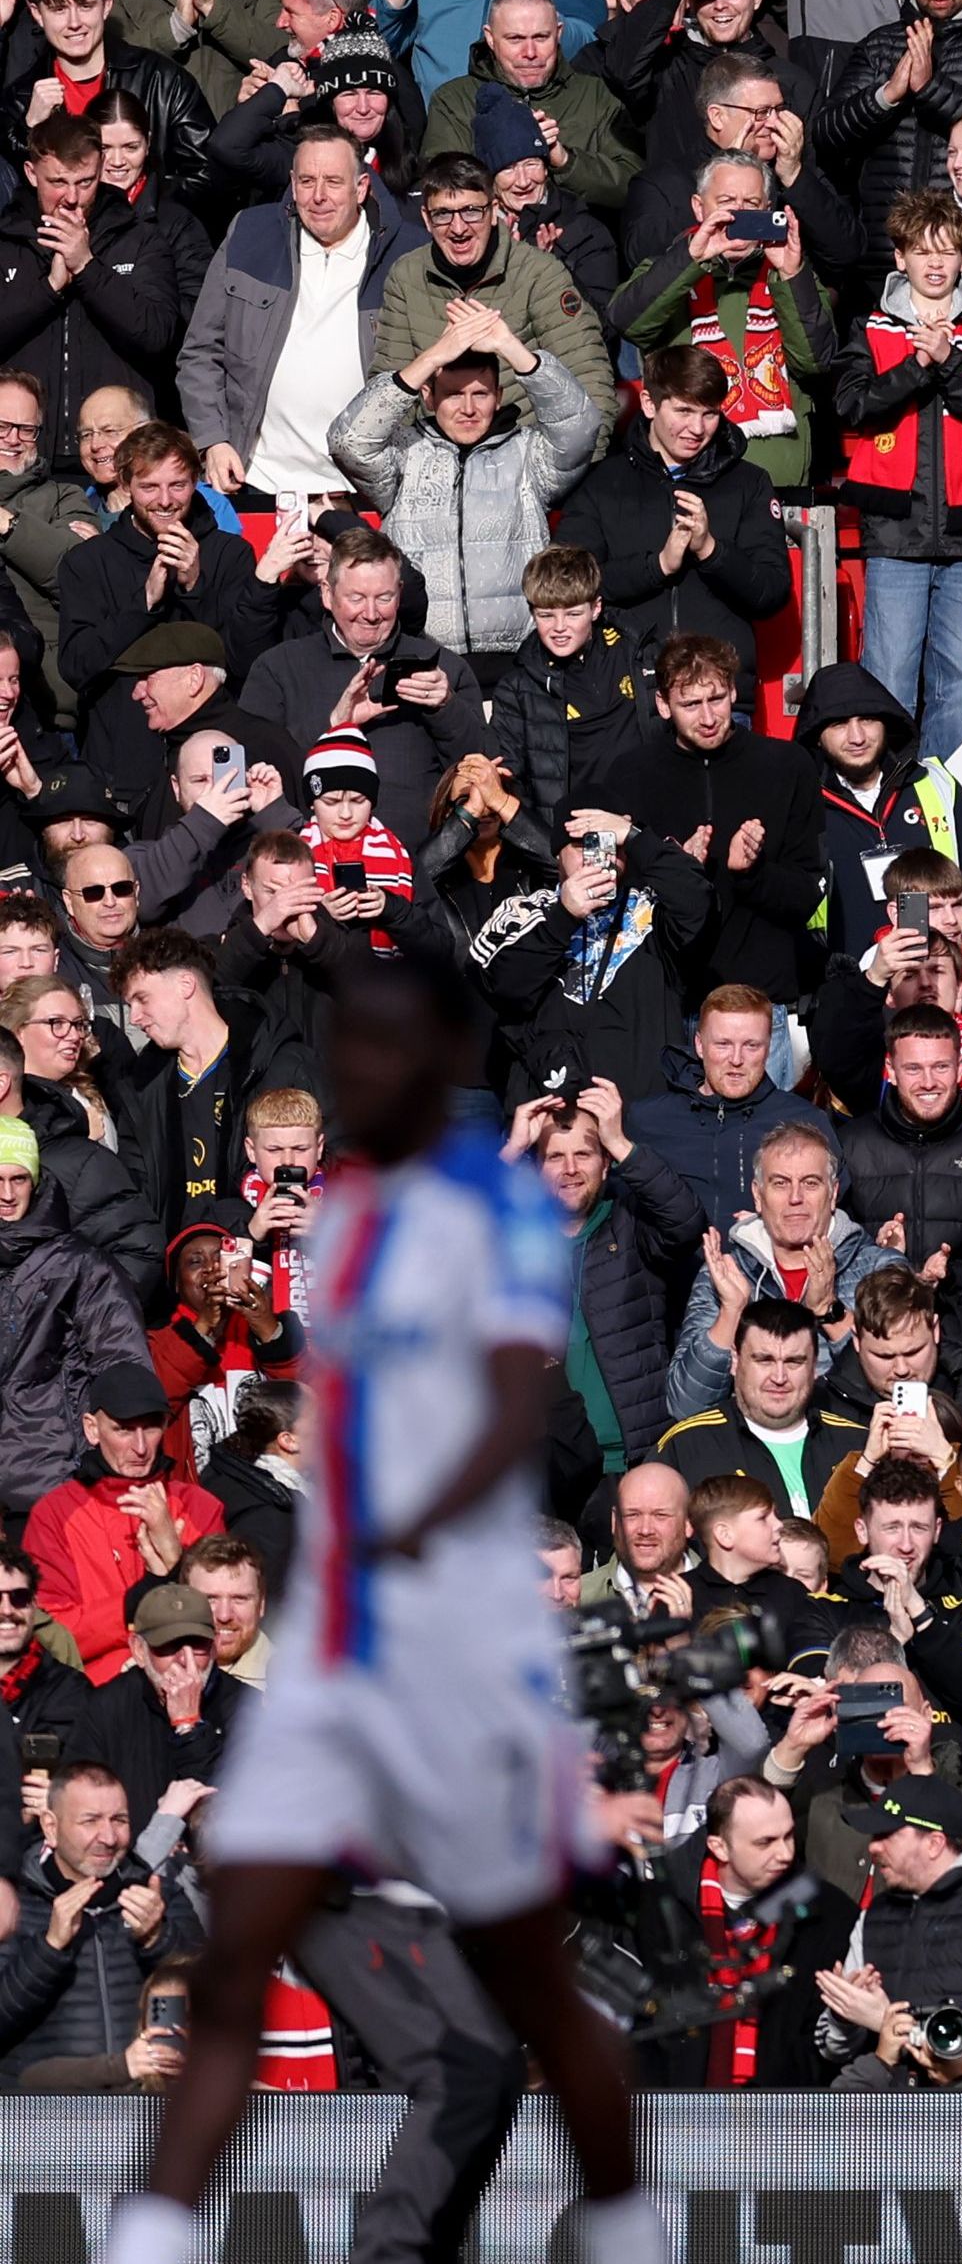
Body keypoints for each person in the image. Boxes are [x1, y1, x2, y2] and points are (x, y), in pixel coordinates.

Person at [102, 949, 660, 2264]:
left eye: (384, 1042)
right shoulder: (341, 1219)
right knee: (239, 1929)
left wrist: (412, 1520)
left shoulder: (507, 1211)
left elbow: (517, 1404)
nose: (355, 1065)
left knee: (528, 1972)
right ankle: (157, 2230)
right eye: (344, 1040)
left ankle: (626, 2217)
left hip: (460, 1650)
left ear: (444, 1056)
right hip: (338, 1656)